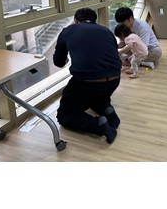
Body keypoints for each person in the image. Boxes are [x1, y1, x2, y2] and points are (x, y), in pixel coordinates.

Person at [52, 8, 121, 143]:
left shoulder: (68, 31)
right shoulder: (106, 31)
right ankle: (107, 110)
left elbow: (58, 62)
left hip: (87, 83)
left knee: (65, 115)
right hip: (114, 79)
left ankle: (99, 125)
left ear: (76, 20)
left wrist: (66, 59)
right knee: (95, 97)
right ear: (94, 20)